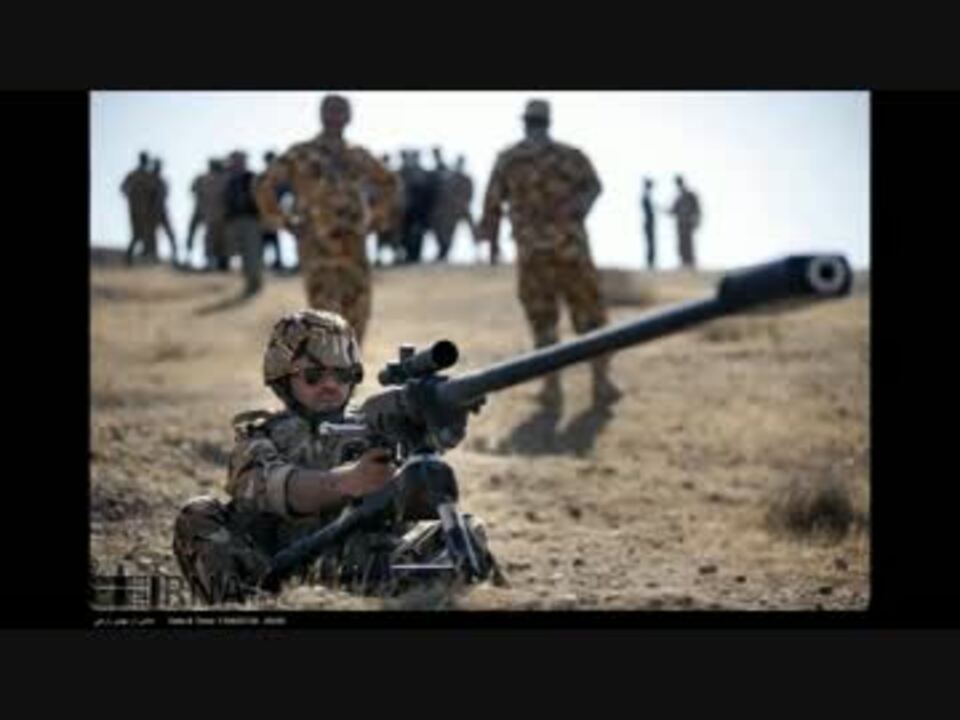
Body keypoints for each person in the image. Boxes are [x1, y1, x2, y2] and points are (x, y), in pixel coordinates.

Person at [172, 309, 499, 603]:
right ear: (283, 379)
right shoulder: (260, 436)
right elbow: (273, 488)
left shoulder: (377, 422)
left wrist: (444, 417)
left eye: (342, 375)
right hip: (278, 573)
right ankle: (239, 608)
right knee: (197, 514)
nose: (330, 385)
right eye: (313, 375)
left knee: (468, 530)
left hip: (374, 567)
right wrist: (346, 482)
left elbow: (433, 448)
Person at [478, 99, 621, 408]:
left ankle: (553, 387)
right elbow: (594, 187)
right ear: (548, 122)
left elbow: (491, 205)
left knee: (543, 320)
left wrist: (492, 245)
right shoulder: (569, 155)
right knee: (589, 316)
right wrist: (576, 212)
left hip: (533, 253)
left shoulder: (509, 159)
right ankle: (600, 382)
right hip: (571, 249)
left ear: (525, 122)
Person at [255, 95, 400, 344]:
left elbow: (390, 183)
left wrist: (376, 218)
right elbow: (263, 184)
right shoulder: (301, 154)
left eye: (341, 111)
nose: (336, 116)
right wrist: (284, 221)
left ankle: (349, 366)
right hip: (317, 246)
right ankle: (331, 367)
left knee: (358, 311)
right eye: (331, 110)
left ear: (349, 116)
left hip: (353, 245)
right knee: (324, 317)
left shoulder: (358, 155)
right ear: (321, 114)